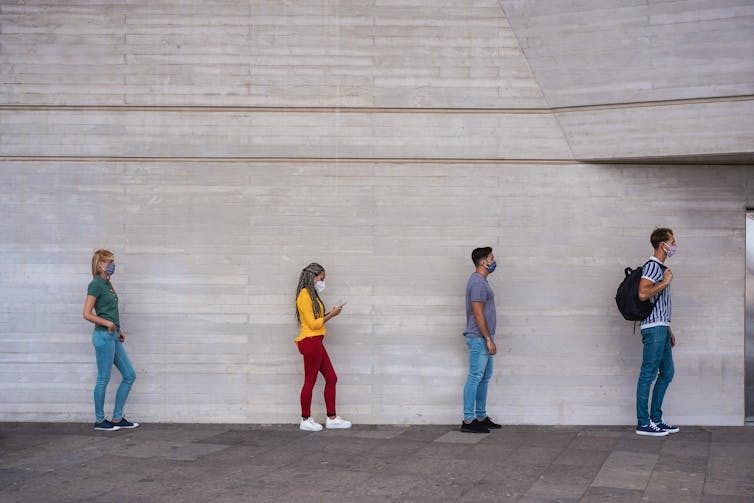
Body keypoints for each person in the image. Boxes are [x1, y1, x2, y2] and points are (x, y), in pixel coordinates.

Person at [83, 249, 138, 431]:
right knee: (103, 378)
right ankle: (100, 420)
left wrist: (118, 329)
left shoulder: (107, 284)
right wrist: (108, 324)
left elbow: (110, 311)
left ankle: (116, 418)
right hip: (103, 336)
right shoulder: (96, 284)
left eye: (113, 261)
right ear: (100, 264)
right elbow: (87, 314)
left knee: (129, 375)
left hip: (112, 335)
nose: (113, 265)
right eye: (109, 261)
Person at [295, 263, 351, 431]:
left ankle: (332, 418)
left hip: (316, 341)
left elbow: (316, 321)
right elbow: (312, 324)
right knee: (309, 381)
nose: (322, 282)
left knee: (331, 378)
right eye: (322, 278)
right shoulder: (304, 296)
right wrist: (331, 315)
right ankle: (305, 419)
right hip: (310, 341)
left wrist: (331, 313)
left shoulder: (312, 296)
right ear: (313, 276)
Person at [635, 228, 679, 436]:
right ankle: (644, 423)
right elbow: (643, 293)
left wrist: (669, 328)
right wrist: (665, 282)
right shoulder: (652, 266)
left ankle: (656, 419)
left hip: (661, 327)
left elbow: (660, 302)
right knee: (648, 374)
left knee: (667, 372)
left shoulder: (661, 267)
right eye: (672, 241)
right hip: (653, 328)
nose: (674, 245)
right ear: (663, 244)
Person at [460, 247, 502, 433]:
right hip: (479, 338)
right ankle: (468, 421)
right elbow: (477, 313)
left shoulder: (482, 281)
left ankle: (481, 416)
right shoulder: (477, 282)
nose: (494, 261)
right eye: (492, 258)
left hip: (485, 337)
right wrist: (487, 339)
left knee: (484, 377)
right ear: (484, 262)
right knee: (475, 377)